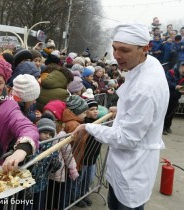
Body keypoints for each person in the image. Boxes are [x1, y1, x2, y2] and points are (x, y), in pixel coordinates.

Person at [73, 22, 169, 210]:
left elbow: (127, 138)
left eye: (125, 50)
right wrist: (124, 111)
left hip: (132, 169)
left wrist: (89, 127)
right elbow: (139, 107)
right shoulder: (150, 63)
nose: (117, 55)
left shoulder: (145, 88)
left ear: (145, 49)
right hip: (127, 166)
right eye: (115, 48)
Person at [24, 115, 61, 210]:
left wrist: (56, 164)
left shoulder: (52, 148)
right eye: (44, 132)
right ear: (38, 132)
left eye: (50, 134)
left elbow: (53, 168)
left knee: (39, 206)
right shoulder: (32, 147)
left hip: (42, 185)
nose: (47, 136)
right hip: (27, 186)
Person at [163, 62, 184, 134]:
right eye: (183, 67)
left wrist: (182, 90)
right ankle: (163, 128)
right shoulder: (171, 72)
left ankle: (168, 126)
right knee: (165, 113)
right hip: (167, 96)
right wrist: (175, 86)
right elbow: (166, 81)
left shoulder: (183, 76)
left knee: (171, 114)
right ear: (180, 66)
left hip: (176, 97)